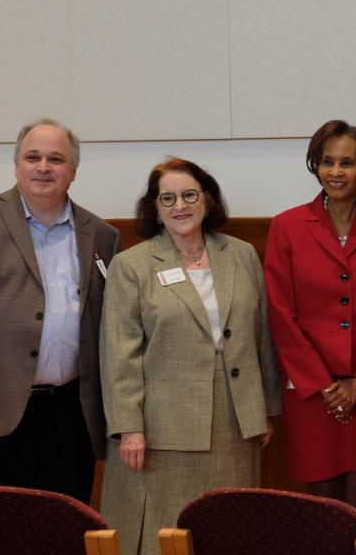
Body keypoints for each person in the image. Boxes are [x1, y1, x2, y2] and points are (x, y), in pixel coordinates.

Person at [99, 158, 281, 555]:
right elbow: (119, 354)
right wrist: (129, 426)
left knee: (228, 532)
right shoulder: (132, 266)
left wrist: (264, 407)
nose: (179, 205)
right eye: (168, 198)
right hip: (160, 432)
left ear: (208, 200)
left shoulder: (242, 254)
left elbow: (261, 335)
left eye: (188, 195)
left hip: (235, 424)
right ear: (155, 209)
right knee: (164, 537)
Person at [0, 119, 120, 504]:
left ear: (73, 170)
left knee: (65, 527)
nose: (43, 167)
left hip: (72, 414)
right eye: (33, 157)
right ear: (16, 163)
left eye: (56, 159)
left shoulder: (101, 235)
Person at [265, 119, 356, 525]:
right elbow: (279, 312)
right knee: (323, 502)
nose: (335, 172)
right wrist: (326, 386)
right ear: (316, 166)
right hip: (313, 391)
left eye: (347, 162)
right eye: (327, 162)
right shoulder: (288, 226)